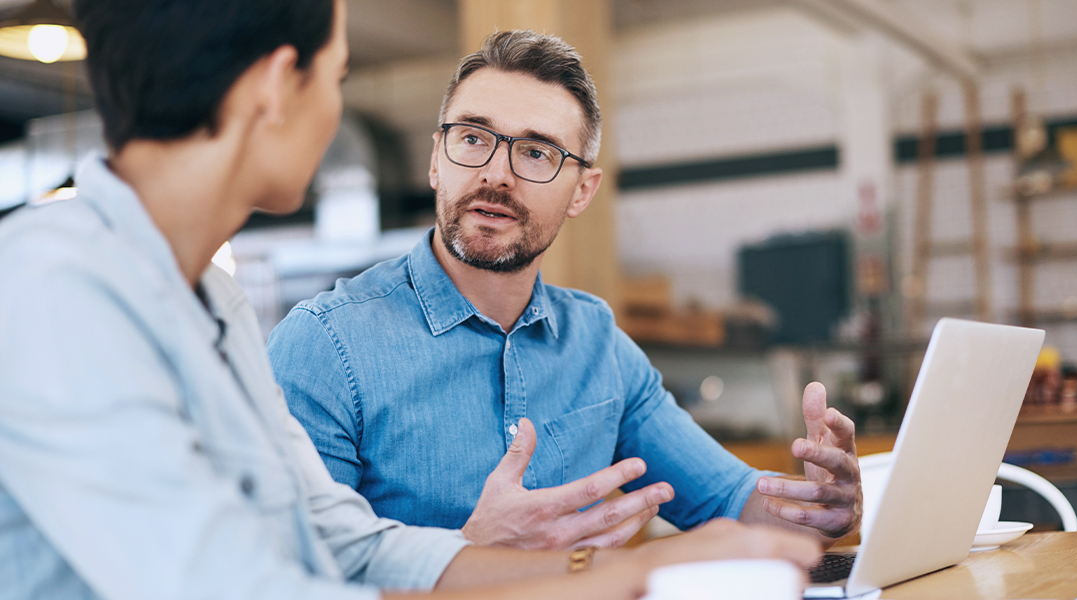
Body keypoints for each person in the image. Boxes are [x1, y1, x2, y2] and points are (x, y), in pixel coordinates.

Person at [0, 1, 825, 598]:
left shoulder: (210, 300)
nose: (335, 111)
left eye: (537, 152)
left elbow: (348, 547)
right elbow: (243, 585)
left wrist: (622, 569)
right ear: (279, 86)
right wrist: (617, 576)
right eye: (340, 77)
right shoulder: (48, 286)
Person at [267, 30, 863, 552]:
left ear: (582, 191)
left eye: (535, 152)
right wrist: (469, 551)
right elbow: (283, 577)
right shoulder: (323, 346)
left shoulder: (597, 343)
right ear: (435, 160)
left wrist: (818, 510)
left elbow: (732, 501)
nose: (496, 173)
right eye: (473, 138)